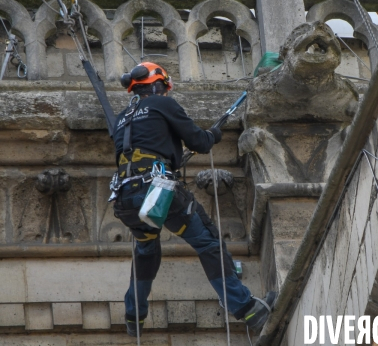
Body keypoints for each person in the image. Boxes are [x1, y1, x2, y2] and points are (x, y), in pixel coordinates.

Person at [110, 62, 275, 337]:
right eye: (163, 88)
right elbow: (199, 141)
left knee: (146, 249)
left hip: (126, 197)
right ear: (158, 85)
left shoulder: (120, 119)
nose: (164, 92)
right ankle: (247, 309)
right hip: (158, 192)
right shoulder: (164, 105)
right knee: (208, 242)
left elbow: (144, 144)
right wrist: (213, 135)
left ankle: (133, 316)